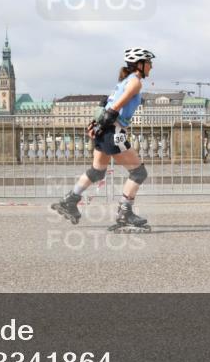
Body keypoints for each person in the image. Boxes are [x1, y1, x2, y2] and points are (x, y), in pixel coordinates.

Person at [52, 48, 155, 232]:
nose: (151, 66)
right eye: (148, 63)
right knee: (139, 173)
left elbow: (105, 103)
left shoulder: (123, 81)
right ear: (139, 65)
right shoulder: (135, 82)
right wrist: (107, 118)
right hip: (114, 130)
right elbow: (116, 105)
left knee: (97, 171)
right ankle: (125, 213)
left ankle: (69, 200)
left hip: (105, 129)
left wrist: (96, 124)